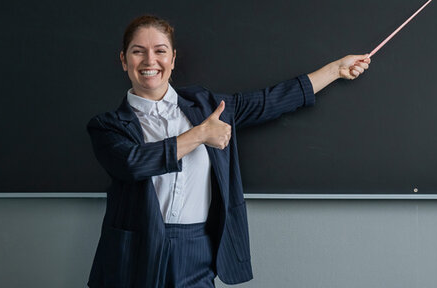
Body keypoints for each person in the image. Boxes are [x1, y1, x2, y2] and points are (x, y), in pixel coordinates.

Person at [86, 15, 370, 288]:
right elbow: (133, 164)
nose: (150, 60)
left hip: (196, 248)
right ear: (124, 60)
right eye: (138, 52)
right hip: (134, 252)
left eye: (160, 51)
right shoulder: (107, 125)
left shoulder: (207, 106)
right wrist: (200, 134)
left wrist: (335, 70)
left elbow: (269, 101)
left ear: (172, 59)